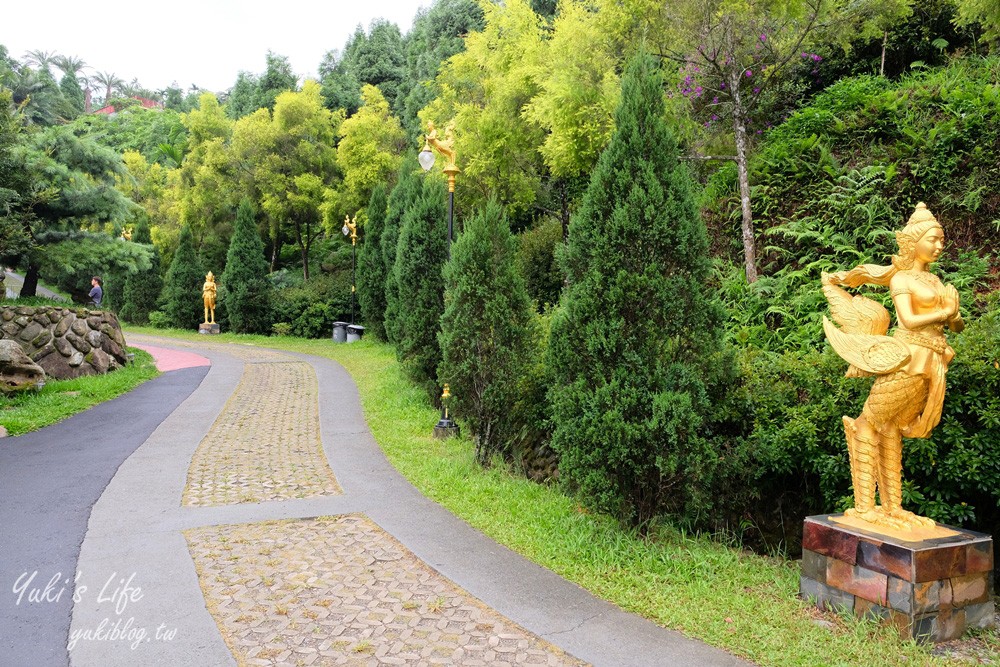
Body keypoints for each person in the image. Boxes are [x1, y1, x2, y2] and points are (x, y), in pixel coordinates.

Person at [822, 203, 962, 531]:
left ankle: (894, 508)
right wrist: (945, 312)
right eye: (934, 239)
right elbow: (909, 320)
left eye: (942, 240)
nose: (939, 245)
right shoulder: (901, 278)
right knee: (869, 423)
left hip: (932, 360)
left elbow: (956, 325)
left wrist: (954, 315)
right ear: (914, 243)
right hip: (906, 360)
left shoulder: (936, 280)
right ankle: (864, 507)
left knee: (892, 427)